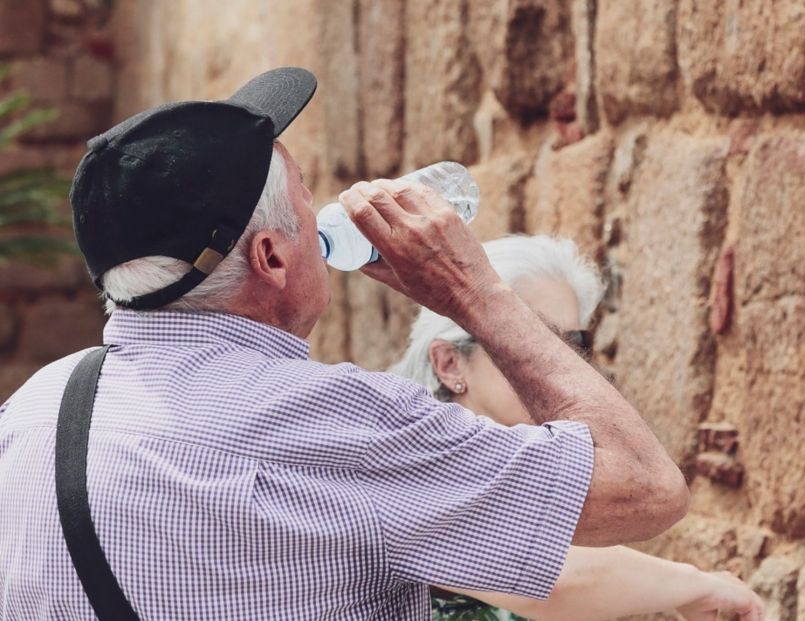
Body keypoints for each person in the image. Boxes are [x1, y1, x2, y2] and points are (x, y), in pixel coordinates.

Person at [0, 67, 689, 620]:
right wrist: (473, 293)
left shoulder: (29, 416)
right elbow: (646, 488)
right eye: (305, 195)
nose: (320, 209)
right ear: (271, 256)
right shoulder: (332, 422)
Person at [393, 235, 765, 621]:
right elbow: (548, 578)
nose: (557, 362)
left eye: (572, 344)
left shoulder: (530, 472)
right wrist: (696, 585)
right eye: (524, 341)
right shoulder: (413, 461)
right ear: (450, 363)